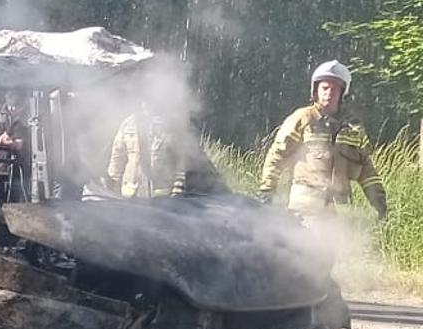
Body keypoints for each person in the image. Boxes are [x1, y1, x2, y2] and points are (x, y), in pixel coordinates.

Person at [257, 60, 387, 220]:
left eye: (334, 89)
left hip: (338, 218)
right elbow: (277, 155)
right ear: (316, 90)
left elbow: (366, 171)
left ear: (342, 93)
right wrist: (267, 190)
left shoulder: (354, 128)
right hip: (303, 213)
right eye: (325, 88)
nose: (329, 93)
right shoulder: (302, 118)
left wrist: (380, 204)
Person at [105, 110, 226, 198]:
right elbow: (116, 166)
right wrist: (110, 196)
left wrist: (176, 195)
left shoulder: (174, 126)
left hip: (162, 203)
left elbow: (183, 166)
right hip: (130, 201)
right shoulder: (128, 125)